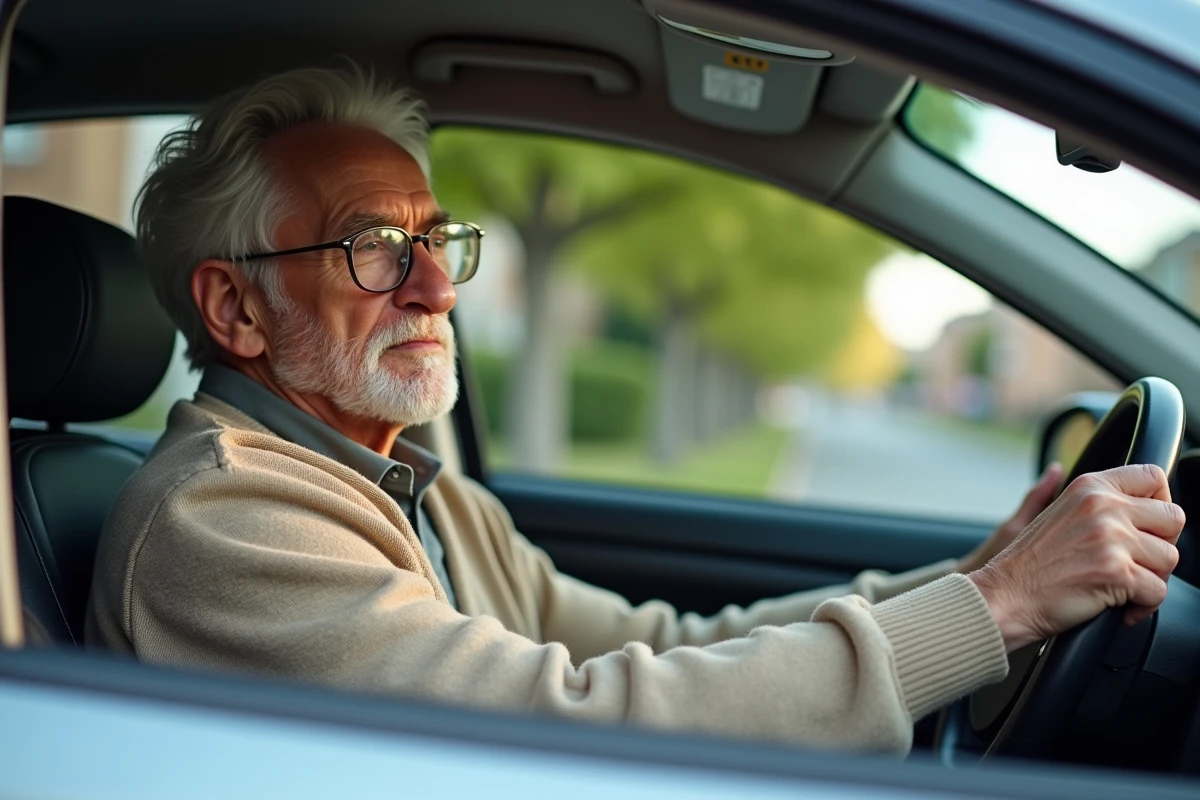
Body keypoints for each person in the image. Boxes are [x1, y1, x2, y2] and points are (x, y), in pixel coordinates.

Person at [86, 64, 1184, 754]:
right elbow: (568, 723)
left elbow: (663, 646)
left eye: (437, 239)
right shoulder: (222, 518)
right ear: (234, 306)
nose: (437, 284)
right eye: (375, 245)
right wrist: (995, 608)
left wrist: (974, 577)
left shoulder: (415, 488)